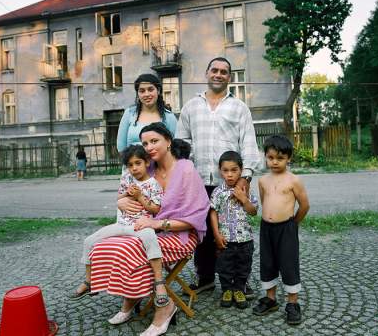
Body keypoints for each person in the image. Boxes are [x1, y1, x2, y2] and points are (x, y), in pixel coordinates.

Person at [89, 122, 209, 336]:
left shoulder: (185, 169)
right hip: (148, 231)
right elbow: (126, 193)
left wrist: (157, 223)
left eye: (154, 141)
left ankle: (165, 308)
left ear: (169, 141)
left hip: (180, 234)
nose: (149, 147)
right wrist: (120, 202)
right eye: (145, 143)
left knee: (135, 248)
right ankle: (130, 297)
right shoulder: (148, 168)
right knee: (109, 243)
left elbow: (196, 216)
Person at [176, 57, 260, 297]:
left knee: (234, 234)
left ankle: (239, 281)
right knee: (202, 233)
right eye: (215, 70)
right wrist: (184, 175)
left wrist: (246, 176)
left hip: (230, 183)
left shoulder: (239, 107)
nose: (219, 74)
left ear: (229, 78)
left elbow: (248, 142)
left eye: (224, 72)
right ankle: (205, 279)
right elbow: (182, 144)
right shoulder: (192, 106)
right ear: (207, 73)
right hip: (198, 183)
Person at [70, 145, 170, 307]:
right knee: (89, 241)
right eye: (130, 165)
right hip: (121, 224)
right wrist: (126, 194)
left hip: (141, 225)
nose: (134, 168)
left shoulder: (154, 184)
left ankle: (159, 283)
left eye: (138, 163)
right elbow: (119, 197)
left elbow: (156, 209)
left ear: (147, 163)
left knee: (151, 239)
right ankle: (89, 282)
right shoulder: (127, 180)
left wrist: (139, 196)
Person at [253, 135, 310, 325]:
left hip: (286, 228)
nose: (275, 162)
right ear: (266, 157)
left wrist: (293, 223)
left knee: (288, 263)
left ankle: (293, 304)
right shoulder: (262, 181)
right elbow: (264, 201)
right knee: (267, 262)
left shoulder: (294, 180)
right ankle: (270, 299)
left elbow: (304, 205)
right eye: (271, 158)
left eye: (280, 158)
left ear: (289, 158)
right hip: (266, 228)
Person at [210, 151, 258, 309]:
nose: (230, 175)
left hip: (245, 239)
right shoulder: (218, 192)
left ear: (241, 170)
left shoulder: (246, 191)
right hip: (225, 239)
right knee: (224, 266)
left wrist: (244, 199)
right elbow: (213, 212)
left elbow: (253, 211)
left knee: (243, 266)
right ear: (220, 170)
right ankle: (226, 290)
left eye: (234, 170)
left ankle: (239, 289)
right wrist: (216, 234)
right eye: (225, 170)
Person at [116, 73, 177, 153]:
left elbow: (175, 147)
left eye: (150, 89)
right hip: (133, 164)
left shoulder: (169, 117)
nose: (147, 94)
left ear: (158, 91)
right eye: (142, 91)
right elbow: (121, 147)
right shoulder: (129, 113)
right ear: (138, 94)